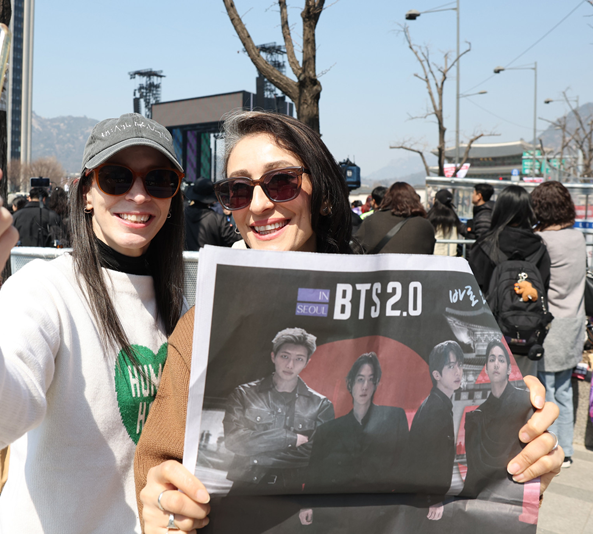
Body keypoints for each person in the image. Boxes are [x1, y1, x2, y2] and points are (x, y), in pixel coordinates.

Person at [134, 111, 563, 534]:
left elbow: (470, 478)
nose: (260, 205)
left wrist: (523, 457)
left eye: (281, 182)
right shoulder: (204, 326)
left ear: (321, 193)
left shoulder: (404, 318)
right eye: (239, 191)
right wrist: (161, 504)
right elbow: (158, 467)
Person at [0, 112, 186, 533]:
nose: (139, 195)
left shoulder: (179, 308)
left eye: (158, 180)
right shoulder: (44, 289)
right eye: (117, 178)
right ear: (86, 192)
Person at [222, 327, 333, 494]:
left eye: (299, 359)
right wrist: (289, 438)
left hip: (290, 494)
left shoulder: (321, 405)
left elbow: (318, 454)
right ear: (273, 356)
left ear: (307, 362)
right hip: (243, 490)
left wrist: (256, 454)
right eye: (285, 356)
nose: (290, 365)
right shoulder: (243, 394)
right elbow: (233, 441)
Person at [531, 181, 586, 468]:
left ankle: (549, 448)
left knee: (546, 393)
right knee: (564, 391)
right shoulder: (578, 237)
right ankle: (565, 450)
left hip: (550, 326)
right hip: (574, 324)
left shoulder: (542, 241)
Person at [307, 352, 408, 493]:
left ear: (376, 384)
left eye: (371, 380)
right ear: (350, 383)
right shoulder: (327, 431)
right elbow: (314, 477)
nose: (365, 386)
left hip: (382, 505)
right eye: (360, 379)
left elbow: (404, 466)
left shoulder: (395, 418)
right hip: (341, 506)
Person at [461, 341, 531, 499]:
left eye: (501, 359)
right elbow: (472, 470)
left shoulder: (524, 401)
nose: (496, 364)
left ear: (509, 368)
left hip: (512, 491)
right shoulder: (476, 416)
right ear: (486, 368)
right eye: (491, 359)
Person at [408, 341, 465, 523]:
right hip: (426, 504)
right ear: (436, 374)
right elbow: (426, 461)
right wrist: (434, 499)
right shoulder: (435, 410)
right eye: (451, 366)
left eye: (459, 365)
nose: (458, 372)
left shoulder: (439, 403)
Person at [468, 185, 550, 296]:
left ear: (499, 209)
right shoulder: (539, 249)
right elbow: (542, 288)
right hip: (529, 311)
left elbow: (472, 287)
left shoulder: (485, 245)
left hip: (490, 312)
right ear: (529, 211)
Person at [354, 182, 436, 254]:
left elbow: (355, 248)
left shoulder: (371, 220)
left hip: (380, 270)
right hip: (415, 270)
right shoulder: (425, 225)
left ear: (387, 199)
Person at [183, 178, 239, 251]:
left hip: (184, 260)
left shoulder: (182, 215)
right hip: (210, 261)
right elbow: (234, 238)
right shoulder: (217, 220)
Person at [428, 189, 467, 257]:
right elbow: (464, 231)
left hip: (434, 256)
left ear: (435, 200)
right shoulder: (454, 218)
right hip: (451, 257)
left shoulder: (431, 217)